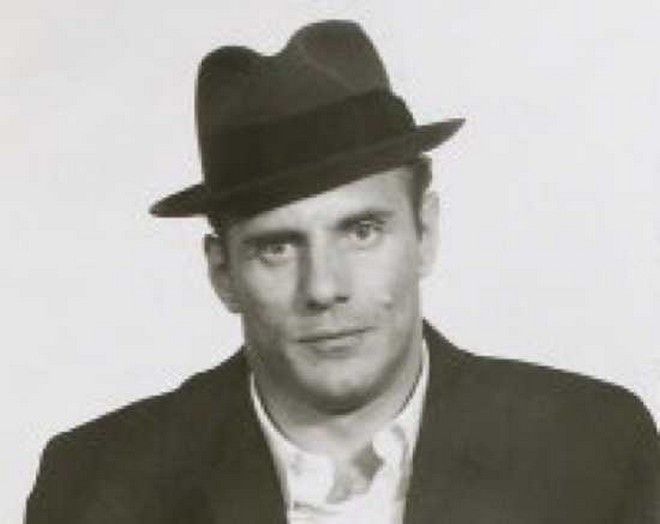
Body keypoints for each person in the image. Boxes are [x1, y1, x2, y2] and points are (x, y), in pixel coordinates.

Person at [25, 20, 658, 524]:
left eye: (362, 231)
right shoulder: (96, 487)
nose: (324, 287)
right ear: (223, 274)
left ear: (425, 234)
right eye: (277, 247)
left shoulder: (595, 447)